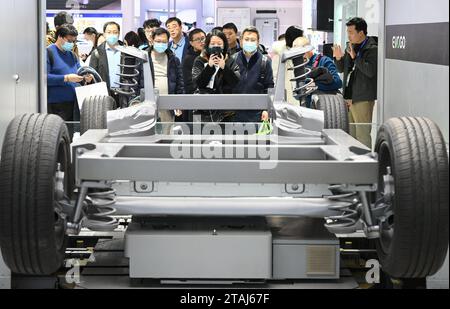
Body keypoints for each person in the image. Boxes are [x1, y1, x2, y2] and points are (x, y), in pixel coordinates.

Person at [332, 17, 378, 148]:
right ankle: (353, 163)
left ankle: (365, 164)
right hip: (350, 97)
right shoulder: (352, 47)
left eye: (351, 32)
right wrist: (338, 58)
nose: (349, 35)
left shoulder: (372, 48)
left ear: (361, 33)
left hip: (363, 97)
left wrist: (355, 57)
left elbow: (370, 71)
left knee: (362, 136)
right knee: (350, 135)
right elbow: (342, 69)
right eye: (347, 32)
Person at [47, 24, 93, 122]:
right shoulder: (48, 52)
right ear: (60, 36)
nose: (71, 44)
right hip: (56, 105)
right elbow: (44, 78)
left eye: (73, 41)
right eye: (69, 41)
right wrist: (66, 78)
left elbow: (80, 72)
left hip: (74, 104)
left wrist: (86, 77)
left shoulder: (72, 55)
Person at [192, 31, 240, 122]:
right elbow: (197, 84)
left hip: (226, 112)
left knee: (225, 136)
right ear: (207, 45)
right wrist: (209, 67)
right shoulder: (200, 60)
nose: (216, 46)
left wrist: (224, 67)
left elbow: (236, 83)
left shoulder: (230, 61)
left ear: (224, 45)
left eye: (219, 44)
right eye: (212, 44)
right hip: (203, 110)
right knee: (201, 136)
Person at [232, 27, 274, 123]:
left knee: (257, 138)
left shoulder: (265, 61)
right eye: (246, 39)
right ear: (241, 41)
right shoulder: (233, 59)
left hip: (257, 113)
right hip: (235, 112)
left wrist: (267, 109)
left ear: (258, 42)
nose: (249, 42)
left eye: (253, 40)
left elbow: (270, 87)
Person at [148, 28, 185, 127]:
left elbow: (180, 83)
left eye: (164, 42)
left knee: (167, 131)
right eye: (158, 41)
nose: (161, 44)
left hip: (168, 104)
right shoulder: (144, 58)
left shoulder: (173, 59)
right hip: (148, 103)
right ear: (152, 40)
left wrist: (179, 103)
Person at [294, 37, 343, 106]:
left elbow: (338, 82)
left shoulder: (324, 61)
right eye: (297, 55)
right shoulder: (299, 67)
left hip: (325, 107)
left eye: (302, 53)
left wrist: (315, 86)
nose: (300, 57)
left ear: (309, 49)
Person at [89, 22, 124, 96]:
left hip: (123, 93)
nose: (112, 35)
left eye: (115, 32)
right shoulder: (96, 53)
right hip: (104, 94)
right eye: (109, 32)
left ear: (119, 34)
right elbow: (92, 76)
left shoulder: (126, 51)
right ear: (104, 34)